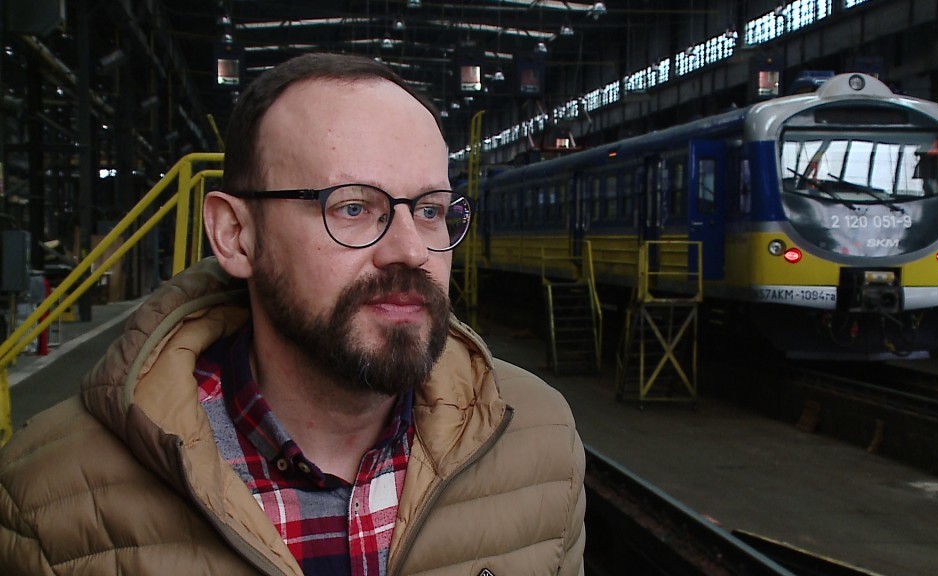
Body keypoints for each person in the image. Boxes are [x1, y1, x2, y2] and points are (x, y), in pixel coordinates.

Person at [0, 53, 585, 575]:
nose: (411, 249)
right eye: (352, 207)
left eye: (430, 211)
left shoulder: (542, 441)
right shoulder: (48, 497)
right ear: (236, 234)